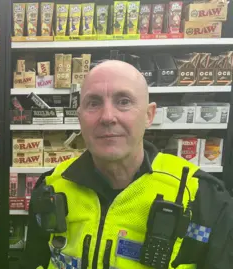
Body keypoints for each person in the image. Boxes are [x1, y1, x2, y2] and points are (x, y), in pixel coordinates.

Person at [21, 60, 233, 269]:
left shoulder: (203, 197)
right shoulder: (52, 186)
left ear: (149, 115)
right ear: (80, 117)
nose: (107, 117)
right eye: (93, 103)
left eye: (123, 101)